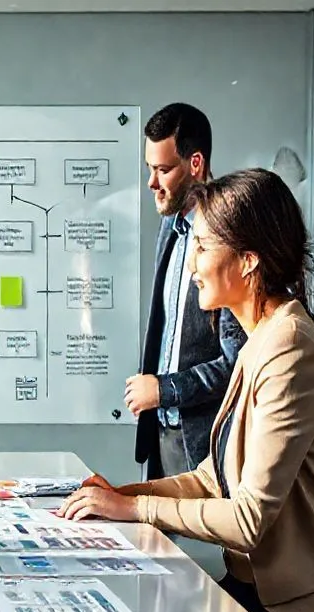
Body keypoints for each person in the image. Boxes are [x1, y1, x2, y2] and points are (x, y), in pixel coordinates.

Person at [59, 168, 314, 612]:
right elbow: (212, 478)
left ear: (248, 260)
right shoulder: (262, 339)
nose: (191, 265)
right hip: (253, 591)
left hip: (298, 610)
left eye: (203, 248)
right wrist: (117, 496)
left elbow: (247, 520)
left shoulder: (290, 349)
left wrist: (133, 509)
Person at [131, 102, 246, 480]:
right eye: (151, 168)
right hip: (160, 437)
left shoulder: (228, 240)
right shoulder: (171, 229)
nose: (152, 182)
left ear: (195, 163)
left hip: (204, 445)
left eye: (163, 170)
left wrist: (164, 390)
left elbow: (237, 365)